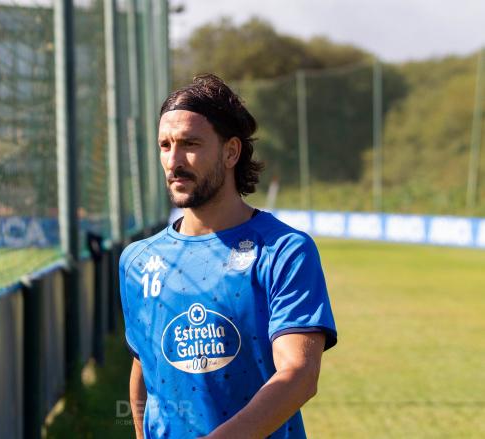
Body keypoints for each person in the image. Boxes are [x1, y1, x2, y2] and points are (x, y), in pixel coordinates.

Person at [118, 74, 337, 439]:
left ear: (231, 152)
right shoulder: (138, 260)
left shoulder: (284, 251)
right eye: (165, 145)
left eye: (190, 143)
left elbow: (299, 374)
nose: (174, 160)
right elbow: (144, 367)